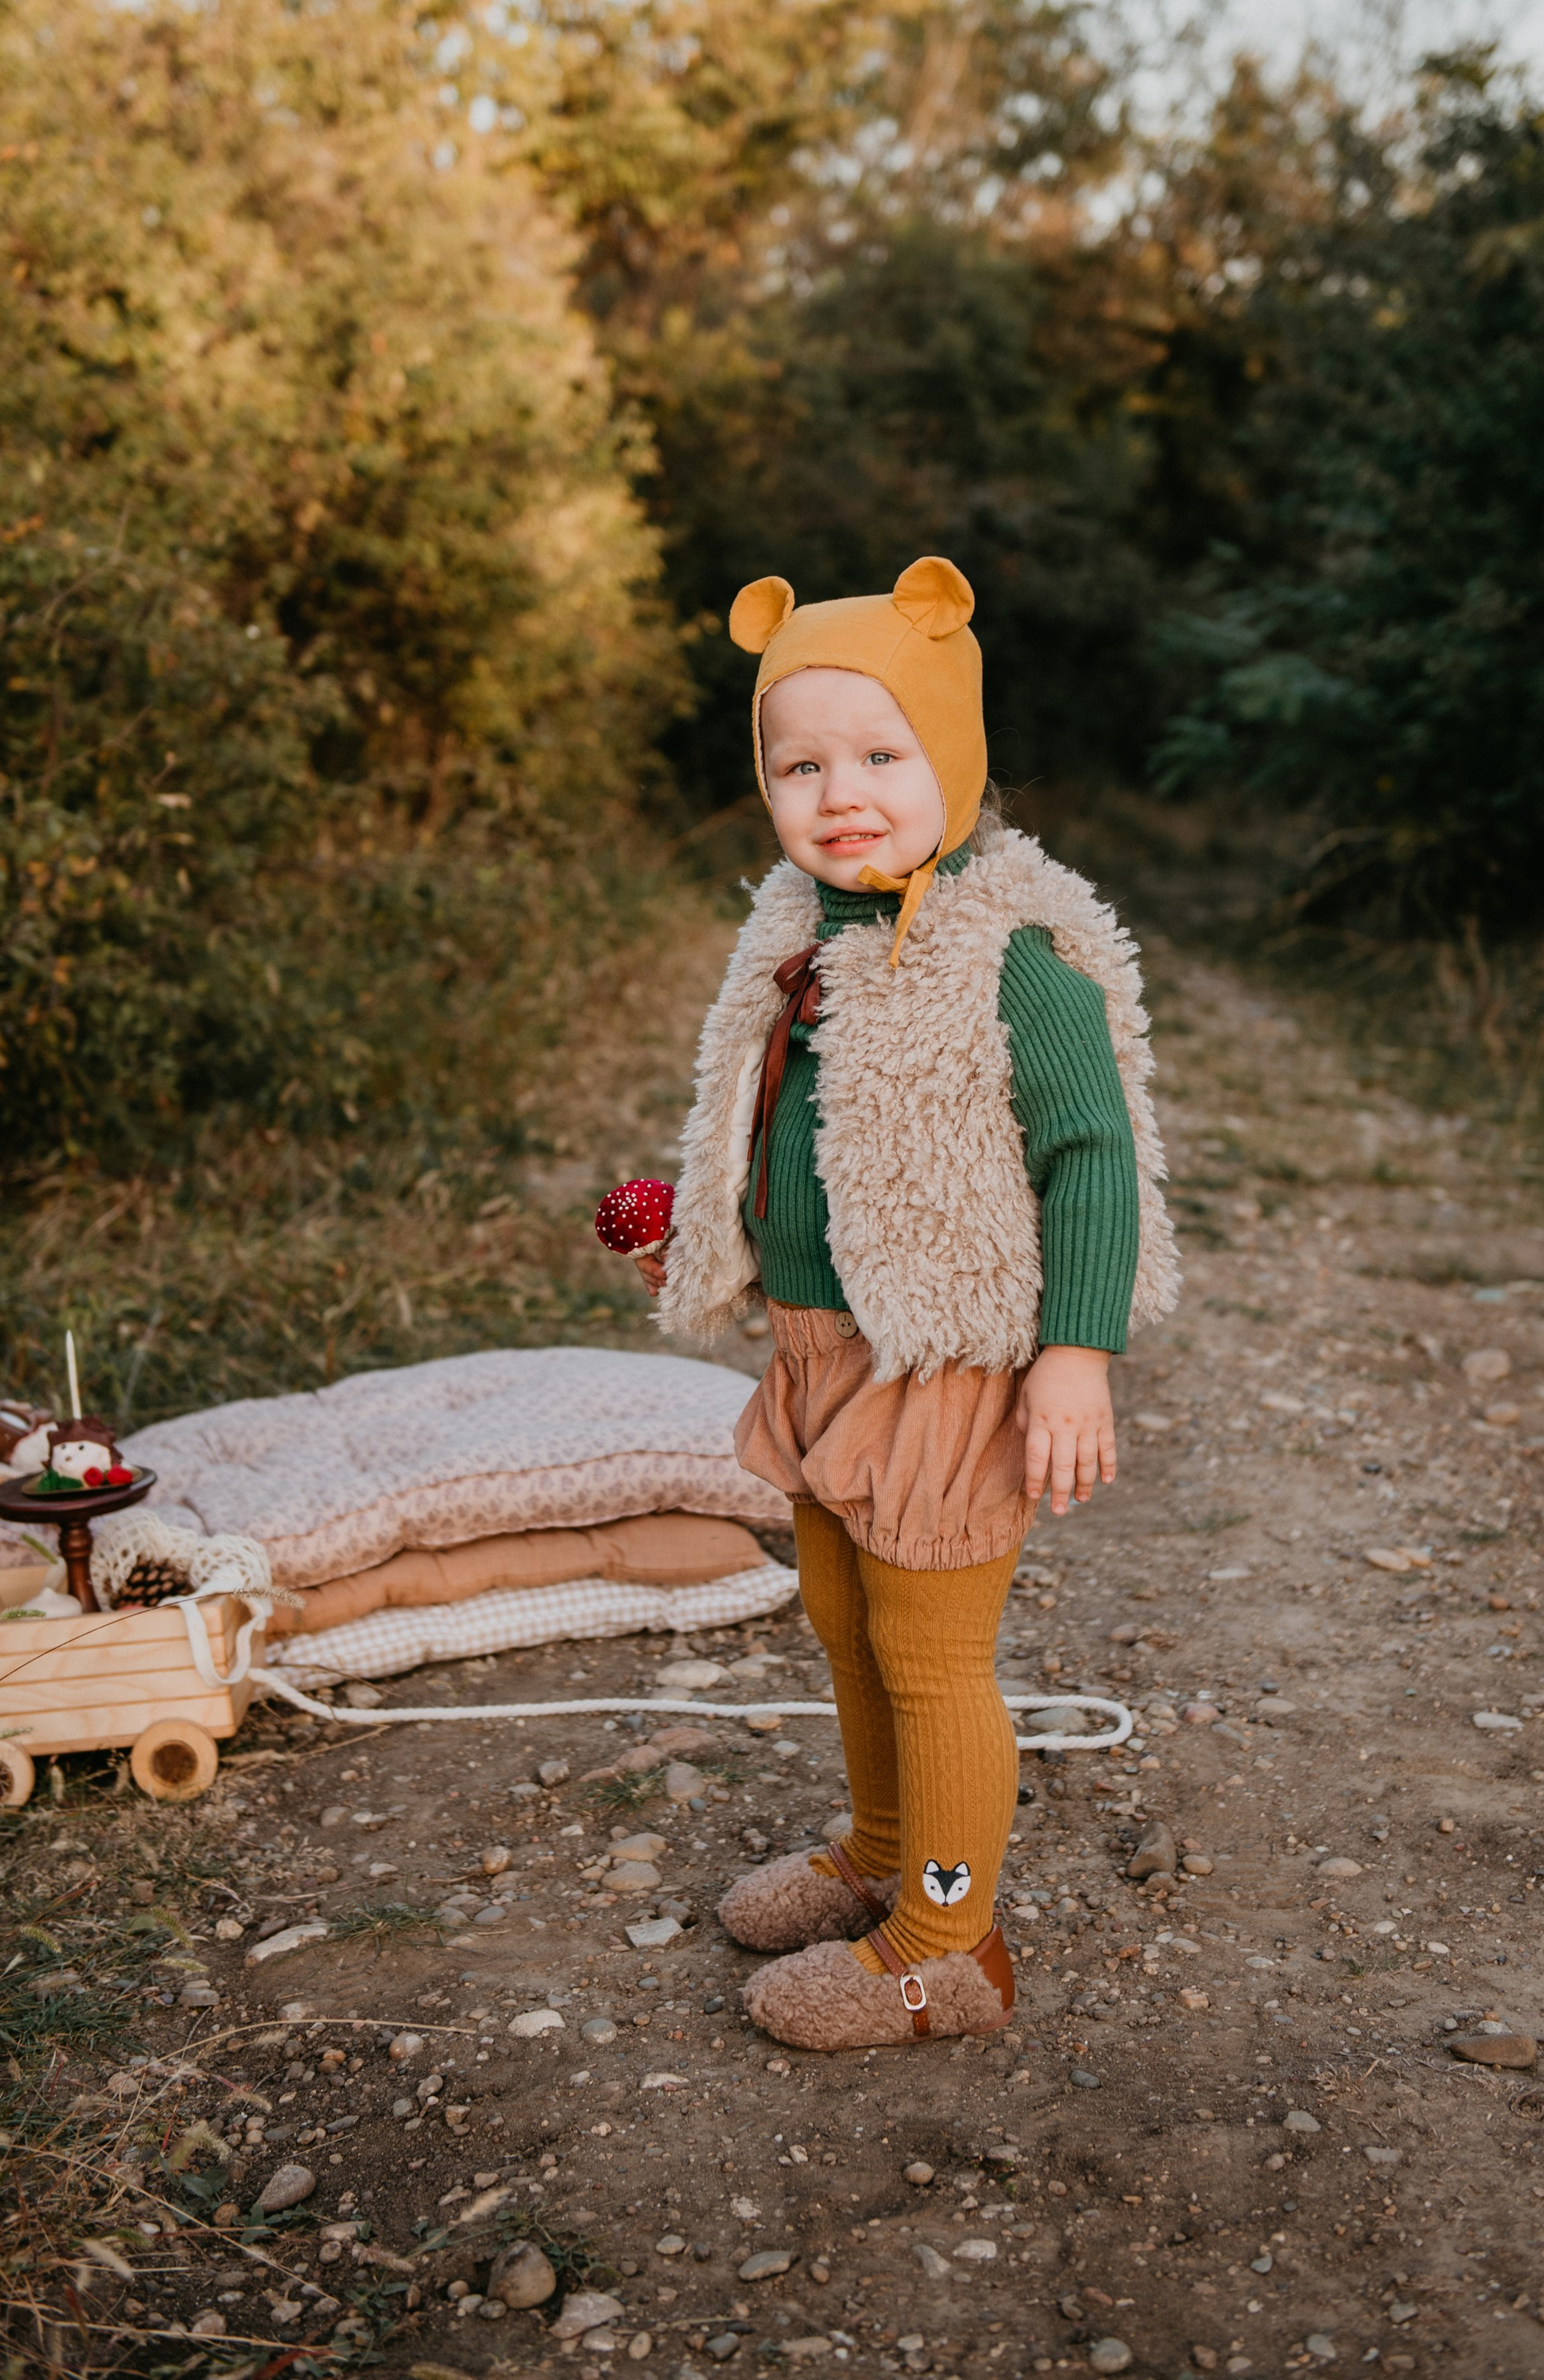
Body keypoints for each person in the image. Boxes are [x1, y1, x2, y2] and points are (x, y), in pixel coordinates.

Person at [628, 556, 1179, 2050]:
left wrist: (1075, 1353)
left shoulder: (1010, 964)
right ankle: (881, 1851)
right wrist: (705, 1228)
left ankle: (949, 1941)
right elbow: (767, 1124)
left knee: (929, 1654)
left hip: (944, 1363)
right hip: (820, 1355)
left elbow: (1093, 1156)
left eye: (881, 754)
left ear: (954, 756)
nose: (841, 794)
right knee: (841, 1617)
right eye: (799, 765)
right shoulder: (799, 940)